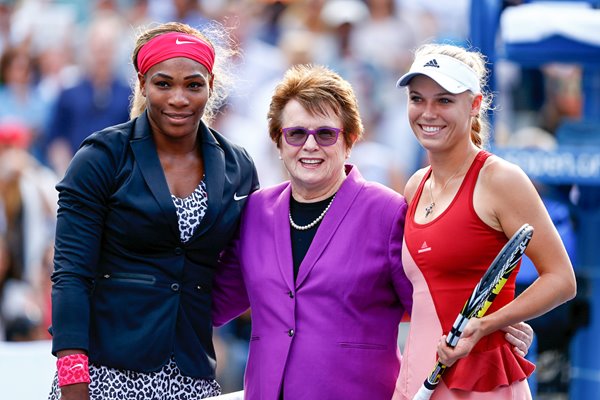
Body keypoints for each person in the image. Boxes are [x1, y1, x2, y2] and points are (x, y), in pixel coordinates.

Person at [212, 64, 533, 400]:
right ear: (278, 141)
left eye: (325, 134)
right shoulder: (254, 212)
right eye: (295, 134)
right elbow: (215, 302)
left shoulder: (387, 212)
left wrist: (493, 330)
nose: (310, 145)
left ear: (350, 140)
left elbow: (430, 300)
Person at [47, 21, 259, 400]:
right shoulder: (101, 158)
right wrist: (73, 379)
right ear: (143, 84)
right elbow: (70, 274)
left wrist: (196, 314)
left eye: (193, 85)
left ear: (211, 85)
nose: (179, 98)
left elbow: (242, 266)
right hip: (104, 374)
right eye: (163, 84)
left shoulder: (237, 167)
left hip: (191, 374)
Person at [394, 43, 577, 399]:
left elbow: (561, 279)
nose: (428, 112)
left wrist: (489, 323)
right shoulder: (415, 185)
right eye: (418, 99)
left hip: (482, 385)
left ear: (475, 105)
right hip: (415, 379)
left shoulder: (501, 180)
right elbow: (421, 292)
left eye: (444, 100)